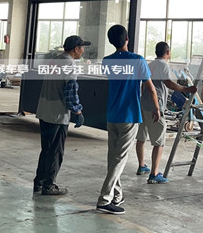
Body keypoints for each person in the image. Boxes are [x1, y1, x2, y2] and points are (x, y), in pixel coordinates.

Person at [96, 25, 160, 215]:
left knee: (113, 157)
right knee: (119, 159)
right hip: (129, 115)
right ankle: (104, 199)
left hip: (112, 114)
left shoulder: (107, 61)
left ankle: (117, 195)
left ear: (111, 41)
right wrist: (156, 108)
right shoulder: (138, 60)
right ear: (127, 39)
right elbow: (150, 88)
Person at [33, 35, 90, 195]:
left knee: (46, 149)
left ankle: (39, 182)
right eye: (82, 47)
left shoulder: (54, 60)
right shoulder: (70, 65)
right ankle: (49, 186)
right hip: (57, 114)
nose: (83, 51)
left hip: (44, 111)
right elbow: (70, 92)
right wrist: (77, 111)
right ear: (76, 49)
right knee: (56, 151)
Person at [135, 42, 197, 184]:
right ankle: (154, 174)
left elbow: (144, 85)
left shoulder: (150, 65)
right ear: (168, 52)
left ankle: (141, 166)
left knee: (141, 138)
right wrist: (185, 89)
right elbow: (168, 83)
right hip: (155, 107)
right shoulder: (163, 65)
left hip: (143, 105)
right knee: (159, 142)